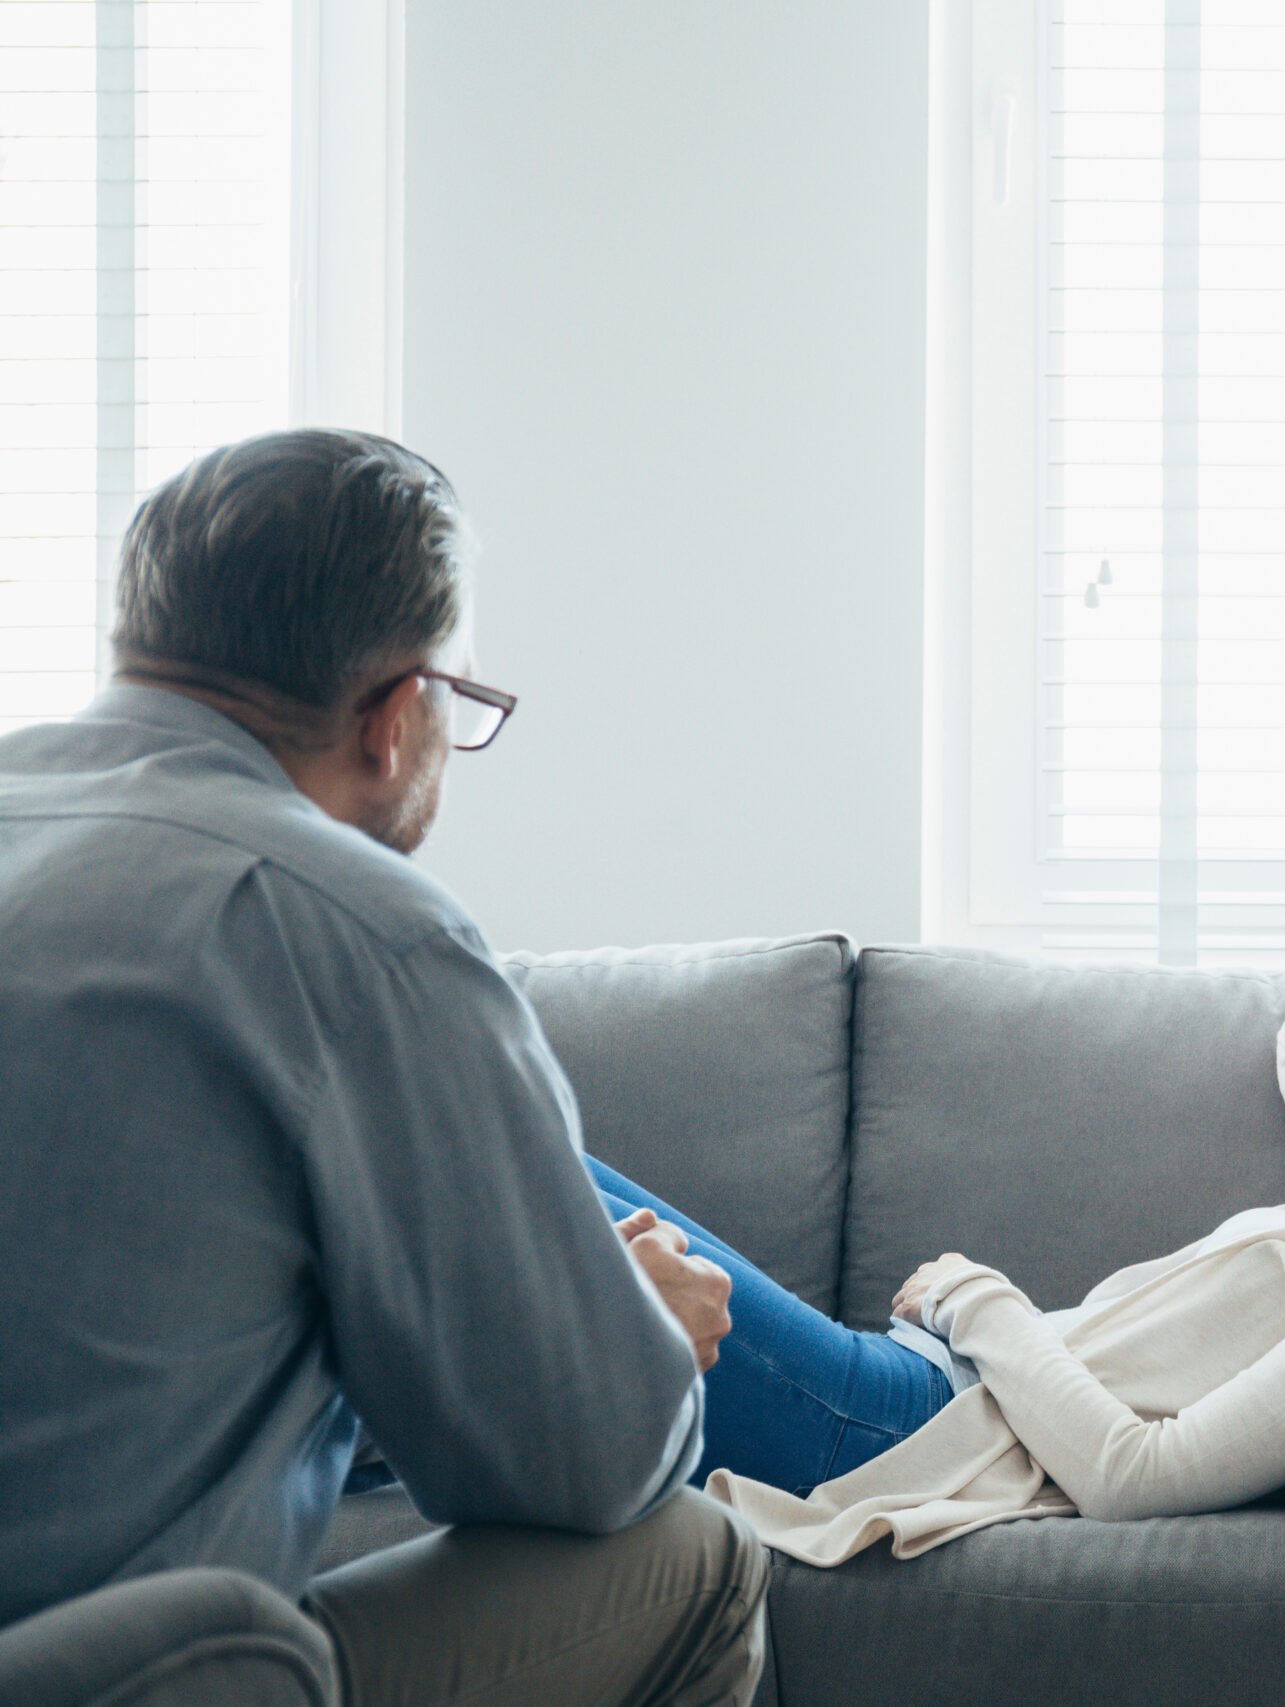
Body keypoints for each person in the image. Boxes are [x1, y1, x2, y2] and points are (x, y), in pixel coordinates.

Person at [0, 430, 770, 1705]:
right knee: (692, 1557)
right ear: (400, 714)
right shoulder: (352, 930)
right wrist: (637, 1335)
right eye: (465, 706)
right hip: (130, 1674)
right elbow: (585, 1467)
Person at [584, 966, 1285, 1564]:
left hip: (906, 1431)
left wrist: (977, 1300)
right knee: (530, 1181)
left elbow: (1140, 1476)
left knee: (533, 1187)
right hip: (913, 1386)